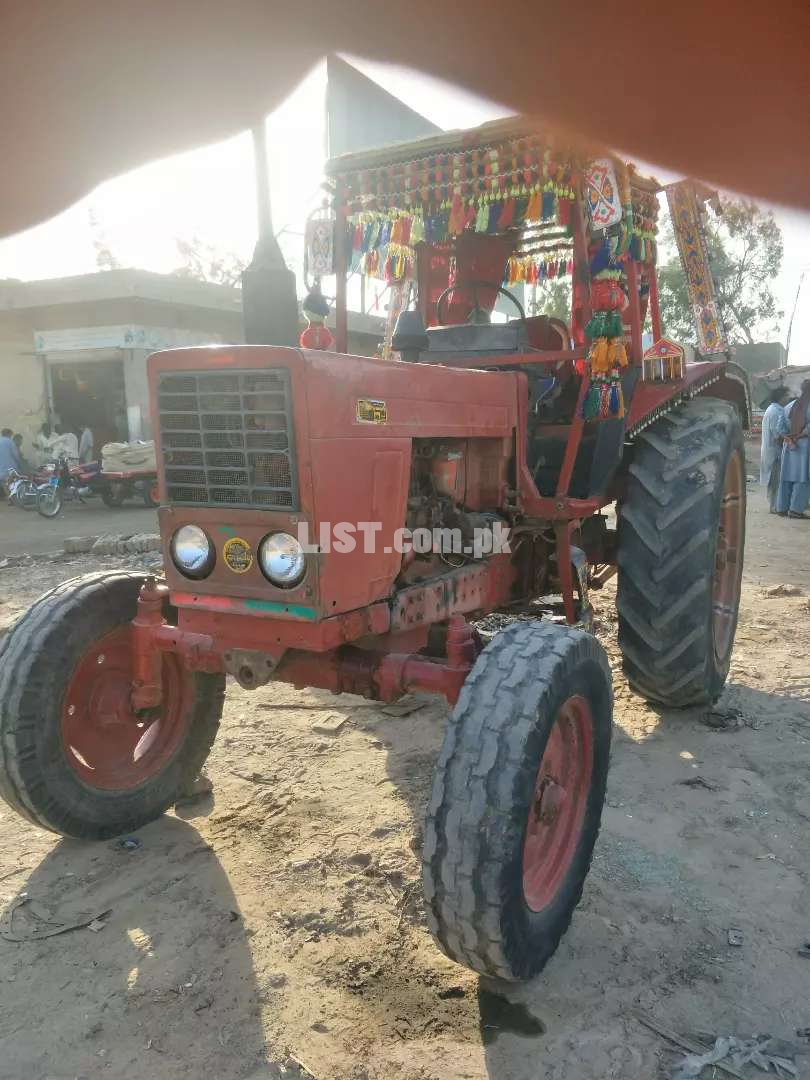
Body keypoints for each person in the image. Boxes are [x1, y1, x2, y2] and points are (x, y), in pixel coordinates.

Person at [777, 379, 810, 519]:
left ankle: (782, 508)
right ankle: (796, 510)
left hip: (789, 446)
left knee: (786, 477)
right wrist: (797, 436)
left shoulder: (790, 405)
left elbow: (780, 428)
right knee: (802, 478)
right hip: (804, 447)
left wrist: (789, 439)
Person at [760, 387, 791, 513]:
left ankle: (775, 505)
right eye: (787, 396)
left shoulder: (772, 409)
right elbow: (778, 434)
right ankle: (774, 506)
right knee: (775, 480)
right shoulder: (776, 412)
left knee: (773, 480)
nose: (788, 398)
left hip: (770, 450)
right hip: (774, 452)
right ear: (781, 397)